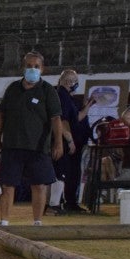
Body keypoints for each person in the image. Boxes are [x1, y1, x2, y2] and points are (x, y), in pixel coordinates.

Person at [0, 51, 64, 227]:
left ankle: (37, 222)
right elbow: (1, 116)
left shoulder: (48, 91)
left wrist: (58, 143)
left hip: (38, 147)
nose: (33, 69)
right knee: (8, 185)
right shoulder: (12, 89)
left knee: (39, 185)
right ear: (23, 68)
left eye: (36, 66)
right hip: (12, 145)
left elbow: (56, 119)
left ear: (42, 69)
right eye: (29, 66)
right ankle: (4, 222)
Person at [48, 69, 85, 215]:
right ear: (69, 82)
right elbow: (62, 121)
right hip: (60, 140)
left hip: (62, 140)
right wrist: (69, 140)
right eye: (75, 81)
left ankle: (58, 203)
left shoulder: (64, 97)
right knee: (60, 172)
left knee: (64, 172)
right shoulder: (62, 97)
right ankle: (53, 205)